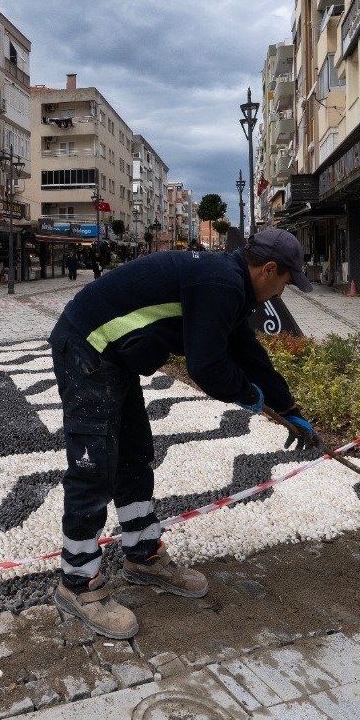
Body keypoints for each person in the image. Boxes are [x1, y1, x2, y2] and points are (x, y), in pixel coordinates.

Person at [47, 227, 321, 638]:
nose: (283, 292)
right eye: (286, 281)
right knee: (95, 467)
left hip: (115, 357)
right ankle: (77, 582)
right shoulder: (221, 283)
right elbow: (207, 365)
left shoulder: (230, 283)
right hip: (86, 346)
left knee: (135, 457)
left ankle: (142, 556)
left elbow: (247, 352)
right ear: (268, 269)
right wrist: (247, 395)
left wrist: (288, 407)